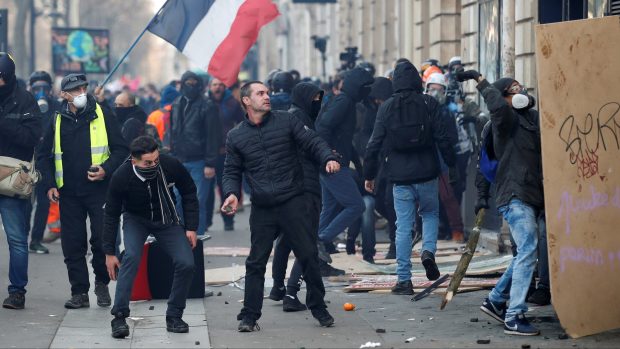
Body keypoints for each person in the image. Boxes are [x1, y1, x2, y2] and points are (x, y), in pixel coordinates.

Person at [221, 81, 339, 332]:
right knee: (255, 262)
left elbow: (312, 141)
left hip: (293, 199)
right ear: (246, 101)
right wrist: (232, 194)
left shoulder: (287, 120)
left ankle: (319, 308)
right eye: (260, 93)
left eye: (267, 92)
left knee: (308, 254)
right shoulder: (236, 136)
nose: (267, 96)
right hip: (263, 207)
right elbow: (231, 170)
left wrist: (327, 157)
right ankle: (249, 316)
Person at [457, 69, 544, 336]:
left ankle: (495, 301)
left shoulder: (530, 119)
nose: (522, 93)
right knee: (528, 249)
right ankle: (514, 315)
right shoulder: (504, 122)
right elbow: (495, 105)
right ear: (505, 98)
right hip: (514, 195)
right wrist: (479, 79)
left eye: (522, 87)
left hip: (530, 195)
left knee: (524, 252)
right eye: (515, 89)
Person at [364, 61, 456, 295]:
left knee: (403, 226)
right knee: (430, 214)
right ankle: (428, 251)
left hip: (400, 176)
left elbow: (373, 144)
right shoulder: (429, 103)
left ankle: (404, 280)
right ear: (417, 80)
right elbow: (443, 138)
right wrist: (451, 166)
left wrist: (369, 174)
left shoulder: (386, 108)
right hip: (427, 172)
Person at [37, 73, 128, 309]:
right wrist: (49, 184)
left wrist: (105, 170)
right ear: (64, 95)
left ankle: (102, 283)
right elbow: (43, 155)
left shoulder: (102, 113)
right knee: (73, 244)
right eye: (75, 90)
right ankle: (79, 292)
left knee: (101, 240)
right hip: (69, 193)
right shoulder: (56, 118)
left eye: (83, 88)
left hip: (99, 191)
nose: (81, 93)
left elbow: (121, 150)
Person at [103, 136, 198, 338]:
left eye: (156, 160)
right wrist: (109, 252)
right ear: (134, 161)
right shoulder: (122, 176)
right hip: (136, 219)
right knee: (131, 257)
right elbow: (110, 214)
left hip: (166, 218)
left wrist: (191, 227)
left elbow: (189, 191)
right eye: (148, 163)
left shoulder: (169, 164)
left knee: (186, 263)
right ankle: (119, 317)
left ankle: (174, 315)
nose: (154, 165)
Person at [269, 82, 335, 311]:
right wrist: (327, 156)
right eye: (315, 98)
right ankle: (291, 293)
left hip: (288, 187)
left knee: (286, 239)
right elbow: (309, 148)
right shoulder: (300, 118)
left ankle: (278, 288)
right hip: (305, 188)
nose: (318, 103)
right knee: (306, 243)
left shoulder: (289, 117)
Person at [315, 67, 373, 255]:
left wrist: (357, 164)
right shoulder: (344, 101)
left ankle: (313, 248)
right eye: (366, 87)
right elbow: (323, 126)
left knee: (330, 208)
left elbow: (346, 140)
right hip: (333, 164)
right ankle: (320, 240)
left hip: (333, 162)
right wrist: (328, 154)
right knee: (356, 205)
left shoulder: (346, 101)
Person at [0, 53, 42, 309]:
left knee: (16, 239)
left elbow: (32, 138)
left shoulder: (26, 100)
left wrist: (3, 123)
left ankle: (17, 292)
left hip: (13, 179)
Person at [167, 71, 221, 235]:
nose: (191, 86)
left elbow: (213, 136)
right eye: (188, 83)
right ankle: (181, 235)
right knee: (177, 200)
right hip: (179, 160)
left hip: (200, 162)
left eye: (194, 83)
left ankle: (198, 236)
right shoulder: (176, 104)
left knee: (197, 201)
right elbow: (172, 131)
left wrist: (210, 163)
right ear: (182, 84)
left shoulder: (208, 105)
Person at [425, 72, 465, 242]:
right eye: (432, 89)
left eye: (439, 90)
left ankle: (457, 230)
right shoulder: (421, 108)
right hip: (425, 156)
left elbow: (452, 138)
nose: (435, 93)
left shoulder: (447, 112)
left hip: (442, 158)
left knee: (447, 196)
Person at [27, 70, 61, 254]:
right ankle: (19, 238)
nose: (41, 91)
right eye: (36, 87)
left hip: (47, 162)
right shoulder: (23, 104)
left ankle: (36, 240)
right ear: (30, 89)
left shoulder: (57, 107)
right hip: (25, 160)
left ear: (50, 90)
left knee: (43, 203)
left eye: (44, 87)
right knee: (24, 203)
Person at [206, 77, 244, 231]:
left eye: (221, 85)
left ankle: (229, 220)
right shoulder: (204, 104)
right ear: (210, 87)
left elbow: (242, 123)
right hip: (208, 153)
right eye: (215, 85)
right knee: (207, 191)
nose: (218, 88)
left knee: (226, 188)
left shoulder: (232, 103)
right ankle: (206, 222)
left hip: (226, 152)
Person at [147, 84, 180, 151]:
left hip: (158, 153)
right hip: (178, 153)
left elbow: (148, 139)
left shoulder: (153, 116)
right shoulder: (182, 113)